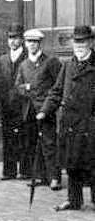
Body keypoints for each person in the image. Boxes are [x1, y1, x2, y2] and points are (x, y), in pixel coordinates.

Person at [38, 25, 95, 211]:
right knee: (72, 164)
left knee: (92, 163)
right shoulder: (68, 65)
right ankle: (74, 200)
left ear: (91, 42)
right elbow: (56, 91)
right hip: (70, 123)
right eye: (76, 41)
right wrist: (45, 110)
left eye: (83, 41)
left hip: (90, 123)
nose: (79, 45)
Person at [15, 28, 63, 190]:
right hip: (29, 110)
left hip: (45, 109)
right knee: (32, 143)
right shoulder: (23, 65)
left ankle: (54, 177)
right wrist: (27, 88)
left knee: (49, 143)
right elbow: (18, 86)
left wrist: (48, 104)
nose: (32, 45)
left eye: (35, 42)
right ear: (25, 43)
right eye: (29, 42)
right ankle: (39, 176)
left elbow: (58, 85)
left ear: (40, 43)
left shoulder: (50, 62)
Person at [0, 23, 28, 179]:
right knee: (8, 137)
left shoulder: (28, 57)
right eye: (10, 38)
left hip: (23, 104)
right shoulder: (2, 59)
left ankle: (24, 170)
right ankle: (9, 171)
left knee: (24, 137)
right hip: (7, 104)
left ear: (22, 40)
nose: (12, 41)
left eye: (16, 38)